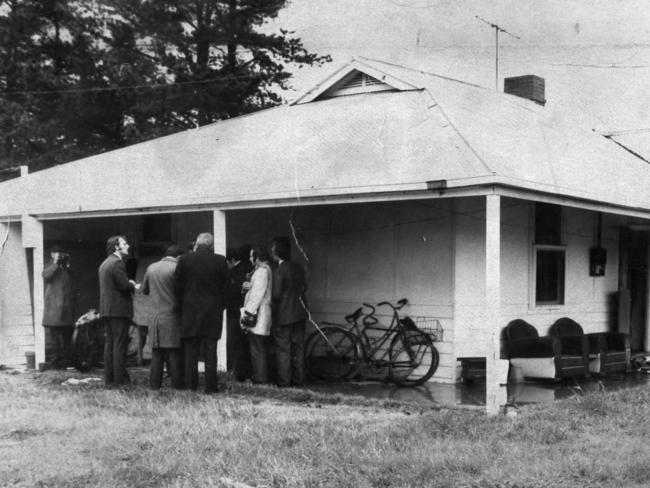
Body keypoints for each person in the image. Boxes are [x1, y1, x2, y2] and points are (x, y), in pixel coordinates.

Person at [174, 232, 229, 393]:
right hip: (212, 312)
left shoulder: (185, 259)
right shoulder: (220, 260)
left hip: (190, 311)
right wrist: (220, 306)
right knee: (211, 351)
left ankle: (192, 386)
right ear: (211, 246)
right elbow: (226, 287)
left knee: (190, 351)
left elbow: (177, 286)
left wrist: (181, 306)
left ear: (197, 244)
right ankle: (211, 387)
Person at [141, 244, 184, 389]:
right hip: (172, 315)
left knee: (157, 354)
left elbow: (144, 290)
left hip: (155, 316)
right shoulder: (176, 268)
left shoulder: (151, 267)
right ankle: (177, 386)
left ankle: (154, 386)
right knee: (173, 353)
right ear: (178, 257)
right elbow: (181, 292)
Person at [98, 235, 137, 387]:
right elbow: (123, 286)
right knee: (119, 345)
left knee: (110, 344)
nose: (127, 246)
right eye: (124, 244)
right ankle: (119, 381)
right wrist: (132, 284)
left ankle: (109, 380)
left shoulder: (104, 263)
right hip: (119, 310)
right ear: (116, 247)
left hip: (107, 310)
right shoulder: (118, 263)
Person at [271, 236, 307, 387]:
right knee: (298, 347)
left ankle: (284, 382)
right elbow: (305, 288)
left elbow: (276, 295)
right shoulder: (298, 267)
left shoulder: (280, 270)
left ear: (277, 251)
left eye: (273, 248)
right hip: (300, 313)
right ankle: (299, 380)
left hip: (284, 315)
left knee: (283, 349)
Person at [241, 245, 273, 383]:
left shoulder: (261, 272)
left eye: (251, 256)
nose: (249, 258)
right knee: (259, 348)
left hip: (258, 314)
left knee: (257, 349)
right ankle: (260, 378)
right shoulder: (263, 270)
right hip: (260, 313)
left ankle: (260, 380)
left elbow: (256, 295)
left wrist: (247, 313)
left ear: (258, 258)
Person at [42, 245, 75, 368]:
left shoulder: (66, 267)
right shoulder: (49, 266)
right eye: (56, 253)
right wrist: (55, 263)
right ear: (51, 255)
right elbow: (46, 276)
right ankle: (56, 362)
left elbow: (72, 278)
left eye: (61, 253)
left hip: (66, 308)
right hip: (54, 309)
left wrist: (67, 264)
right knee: (55, 338)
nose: (59, 255)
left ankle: (67, 361)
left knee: (67, 337)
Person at [226, 244, 253, 381]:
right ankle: (246, 372)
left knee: (235, 343)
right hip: (248, 311)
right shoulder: (250, 268)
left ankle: (237, 372)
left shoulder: (233, 272)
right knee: (245, 343)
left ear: (231, 260)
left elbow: (231, 292)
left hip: (234, 312)